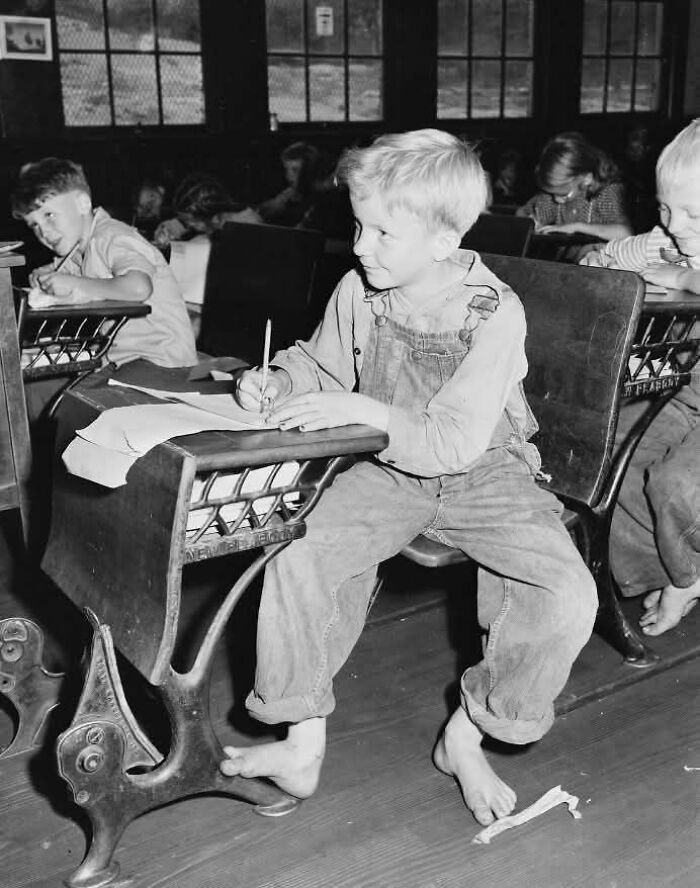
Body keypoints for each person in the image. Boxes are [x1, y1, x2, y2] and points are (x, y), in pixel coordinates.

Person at [220, 129, 598, 826]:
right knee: (301, 553)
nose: (360, 245)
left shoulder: (494, 313)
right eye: (359, 224)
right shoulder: (364, 287)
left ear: (443, 239)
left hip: (483, 470)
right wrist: (276, 379)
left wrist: (364, 407)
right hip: (391, 471)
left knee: (567, 592)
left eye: (381, 232)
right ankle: (302, 742)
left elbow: (455, 440)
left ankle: (468, 733)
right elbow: (321, 362)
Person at [581, 119, 700, 637]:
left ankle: (688, 578)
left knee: (679, 485)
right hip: (684, 389)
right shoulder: (670, 240)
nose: (677, 225)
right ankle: (668, 569)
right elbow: (614, 257)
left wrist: (685, 278)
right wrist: (596, 262)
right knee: (621, 460)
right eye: (666, 207)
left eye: (695, 212)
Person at [12, 157, 197, 370]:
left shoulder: (111, 236)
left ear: (82, 203)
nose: (43, 231)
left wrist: (74, 284)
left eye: (49, 215)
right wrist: (43, 276)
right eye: (34, 225)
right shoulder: (76, 249)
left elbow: (139, 287)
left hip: (162, 361)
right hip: (122, 358)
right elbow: (63, 270)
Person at [517, 132, 632, 243]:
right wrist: (532, 222)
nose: (556, 200)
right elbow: (521, 212)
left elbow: (626, 232)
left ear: (587, 179)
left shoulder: (607, 192)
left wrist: (576, 227)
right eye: (552, 194)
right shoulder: (553, 195)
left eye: (564, 195)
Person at [153, 172, 261, 249]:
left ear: (214, 218)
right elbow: (176, 225)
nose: (189, 226)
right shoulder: (205, 218)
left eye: (191, 223)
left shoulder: (250, 225)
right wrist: (165, 231)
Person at [257, 141, 322, 227]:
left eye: (295, 170)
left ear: (309, 171)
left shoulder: (319, 199)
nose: (288, 176)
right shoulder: (290, 192)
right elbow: (265, 209)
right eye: (287, 169)